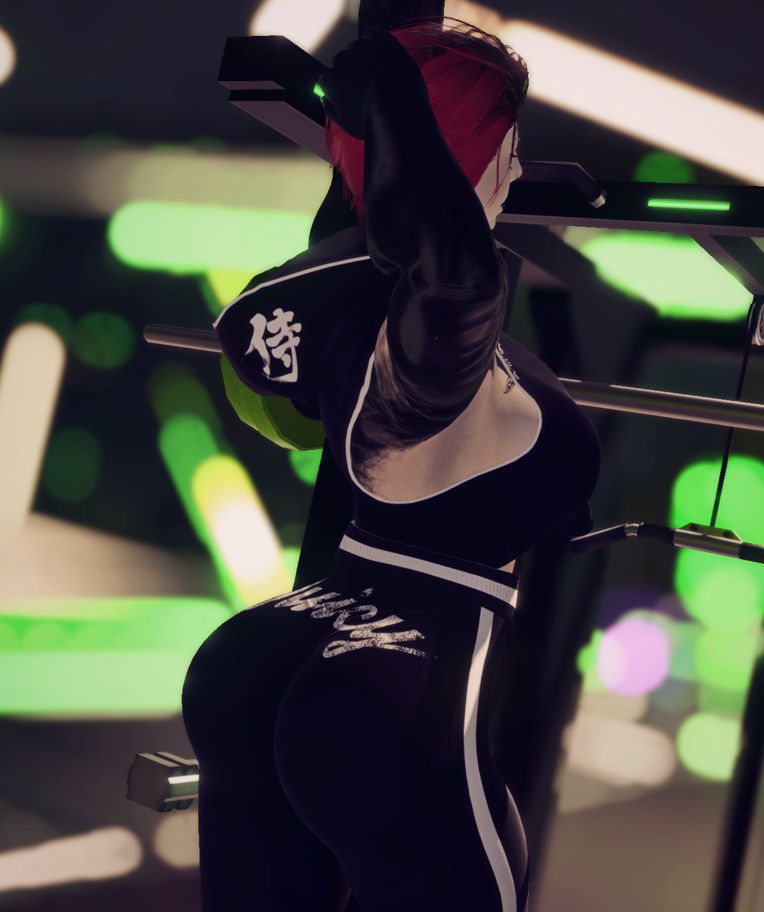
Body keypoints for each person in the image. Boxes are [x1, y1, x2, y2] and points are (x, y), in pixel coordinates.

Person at [181, 16, 601, 912]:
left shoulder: (338, 296)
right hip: (393, 679)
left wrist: (380, 128)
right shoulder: (435, 344)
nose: (514, 175)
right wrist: (398, 103)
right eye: (506, 152)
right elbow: (454, 278)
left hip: (277, 645)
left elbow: (380, 243)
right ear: (456, 160)